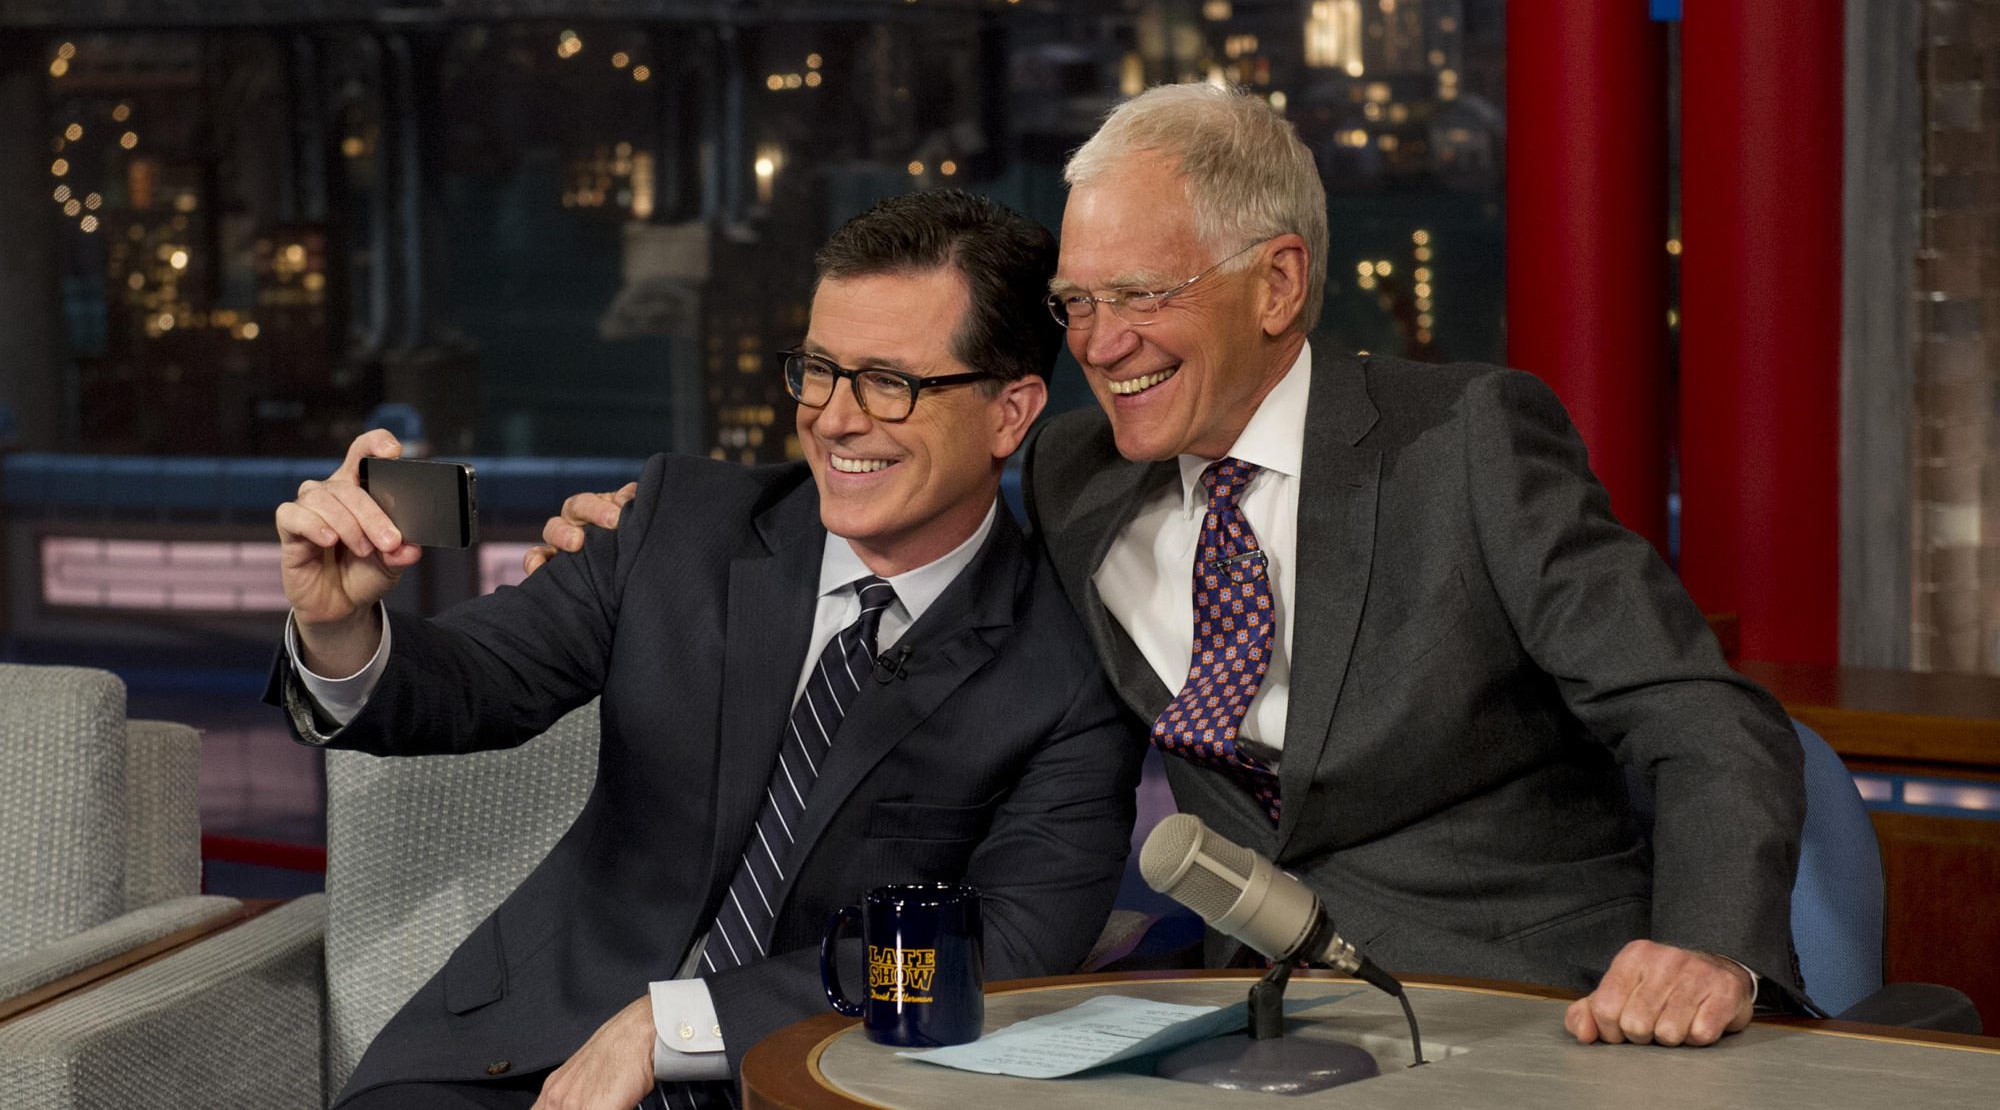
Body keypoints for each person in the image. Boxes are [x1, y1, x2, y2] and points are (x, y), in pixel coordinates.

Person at [544, 85, 1807, 1052]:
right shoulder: (1076, 476)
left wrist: (1703, 952)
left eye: (1137, 293)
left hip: (1517, 1007)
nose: (1099, 343)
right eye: (1075, 302)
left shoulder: (1465, 442)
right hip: (1234, 1020)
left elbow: (1699, 717)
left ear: (1276, 283)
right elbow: (917, 532)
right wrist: (655, 539)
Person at [268, 189, 1143, 1109]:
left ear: (1011, 412)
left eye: (890, 382)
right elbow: (475, 681)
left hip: (804, 1077)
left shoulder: (1070, 664)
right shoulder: (680, 522)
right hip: (509, 1062)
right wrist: (337, 624)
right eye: (817, 369)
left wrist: (681, 1024)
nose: (836, 419)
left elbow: (1006, 945)